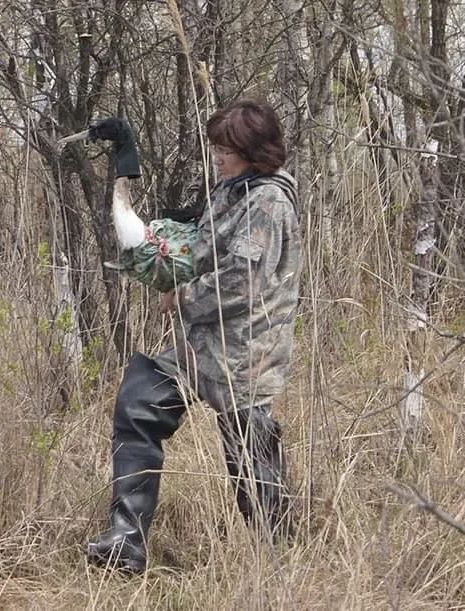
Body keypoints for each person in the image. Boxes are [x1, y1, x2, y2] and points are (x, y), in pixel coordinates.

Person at [85, 98, 302, 574]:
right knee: (139, 403)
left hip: (245, 352)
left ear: (253, 150)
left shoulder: (268, 202)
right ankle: (126, 542)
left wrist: (180, 297)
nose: (217, 158)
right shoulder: (233, 191)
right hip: (201, 342)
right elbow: (208, 246)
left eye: (226, 149)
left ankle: (281, 559)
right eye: (216, 148)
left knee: (251, 458)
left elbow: (243, 282)